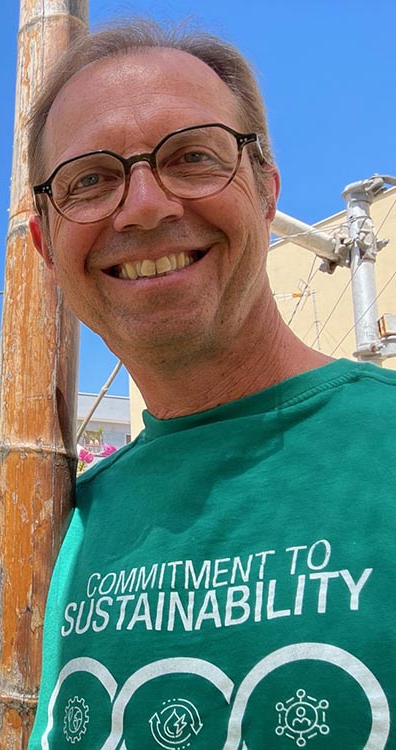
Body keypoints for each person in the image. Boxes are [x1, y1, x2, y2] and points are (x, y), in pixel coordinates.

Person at [25, 20, 396, 750]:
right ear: (46, 245)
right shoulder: (75, 517)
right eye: (90, 180)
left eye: (192, 156)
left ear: (265, 193)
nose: (144, 205)